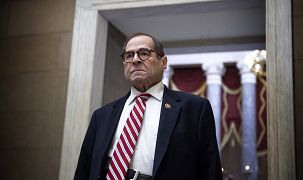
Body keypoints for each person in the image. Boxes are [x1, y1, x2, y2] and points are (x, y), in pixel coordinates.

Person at [74, 32, 222, 180]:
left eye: (144, 53)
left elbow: (210, 170)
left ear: (163, 63)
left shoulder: (195, 108)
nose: (135, 60)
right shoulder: (102, 116)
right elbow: (84, 170)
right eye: (129, 55)